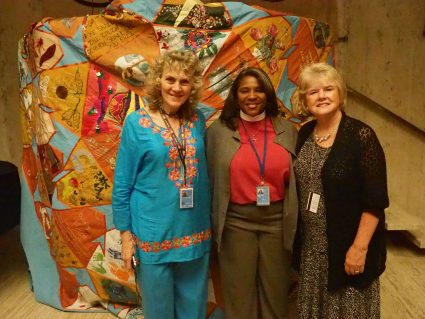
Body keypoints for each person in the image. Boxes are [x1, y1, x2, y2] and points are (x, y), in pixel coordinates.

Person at [112, 50, 211, 319]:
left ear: (193, 87)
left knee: (194, 310)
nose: (176, 88)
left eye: (184, 81)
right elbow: (122, 184)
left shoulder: (197, 120)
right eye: (170, 79)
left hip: (195, 232)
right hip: (152, 235)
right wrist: (125, 235)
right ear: (158, 81)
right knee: (159, 312)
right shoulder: (136, 123)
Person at [293, 62, 389, 318]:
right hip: (313, 251)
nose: (321, 96)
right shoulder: (304, 134)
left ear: (340, 94)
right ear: (305, 99)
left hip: (348, 248)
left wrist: (359, 249)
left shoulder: (361, 136)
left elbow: (375, 201)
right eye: (313, 92)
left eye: (328, 89)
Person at [207, 67, 299, 319]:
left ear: (268, 94)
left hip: (278, 222)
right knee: (239, 296)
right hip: (236, 222)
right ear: (235, 96)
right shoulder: (217, 133)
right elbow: (208, 182)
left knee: (276, 294)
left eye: (258, 89)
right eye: (244, 90)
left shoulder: (288, 131)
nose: (252, 95)